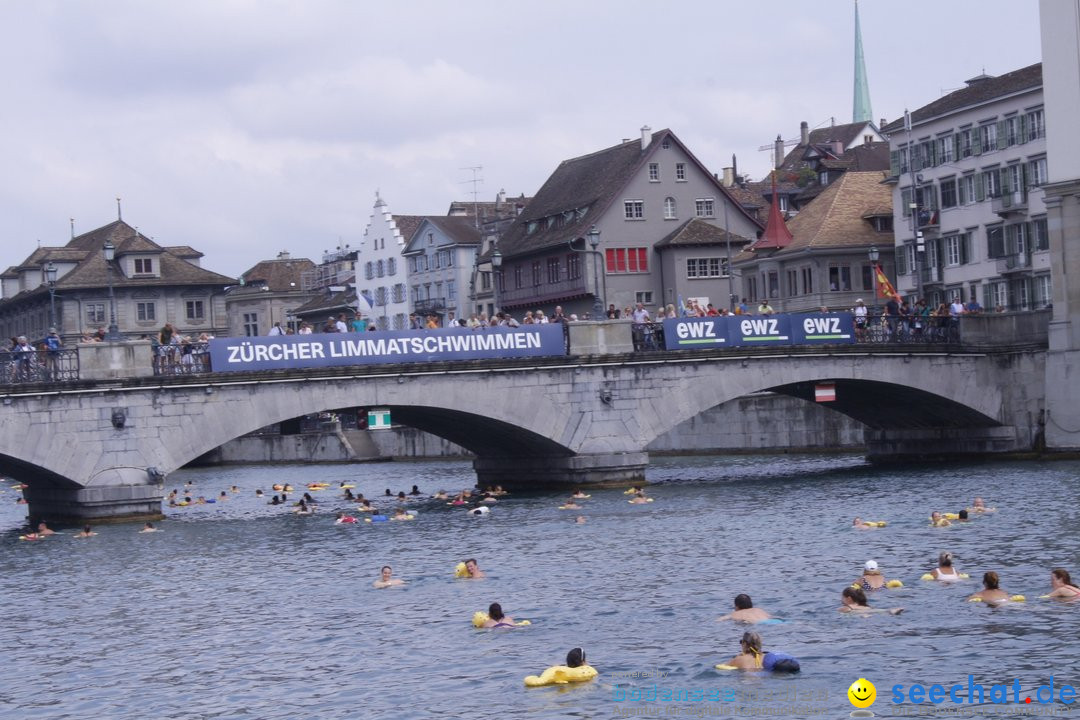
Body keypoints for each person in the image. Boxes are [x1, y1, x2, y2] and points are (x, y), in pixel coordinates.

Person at [722, 631, 800, 672]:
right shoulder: (766, 657)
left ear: (744, 644)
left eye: (741, 642)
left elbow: (720, 667)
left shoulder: (739, 659)